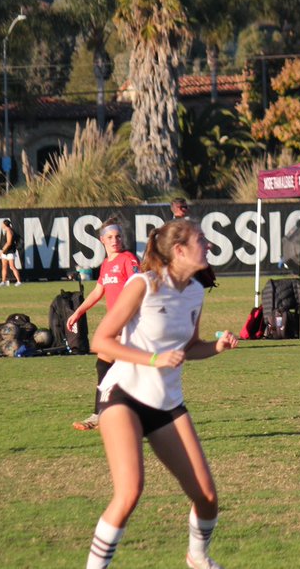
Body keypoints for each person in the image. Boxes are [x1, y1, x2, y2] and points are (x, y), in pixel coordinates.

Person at [86, 218, 237, 569]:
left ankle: (197, 559)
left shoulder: (196, 291)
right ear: (180, 250)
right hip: (123, 394)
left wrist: (216, 347)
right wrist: (154, 358)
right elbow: (101, 341)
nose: (209, 245)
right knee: (130, 491)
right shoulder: (144, 284)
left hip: (166, 403)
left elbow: (190, 346)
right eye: (201, 240)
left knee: (207, 497)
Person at [71, 222, 142, 431]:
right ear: (102, 240)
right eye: (110, 237)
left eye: (118, 236)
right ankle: (101, 414)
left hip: (128, 323)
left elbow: (139, 286)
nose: (115, 241)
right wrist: (78, 311)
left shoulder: (128, 259)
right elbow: (97, 291)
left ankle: (111, 415)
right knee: (104, 366)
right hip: (115, 323)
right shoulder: (106, 264)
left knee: (122, 370)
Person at [0, 219, 23, 287]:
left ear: (5, 224)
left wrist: (2, 251)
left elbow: (9, 243)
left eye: (2, 224)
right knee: (4, 266)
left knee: (12, 266)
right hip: (5, 252)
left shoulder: (9, 231)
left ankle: (19, 281)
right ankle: (3, 281)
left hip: (10, 251)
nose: (1, 225)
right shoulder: (6, 231)